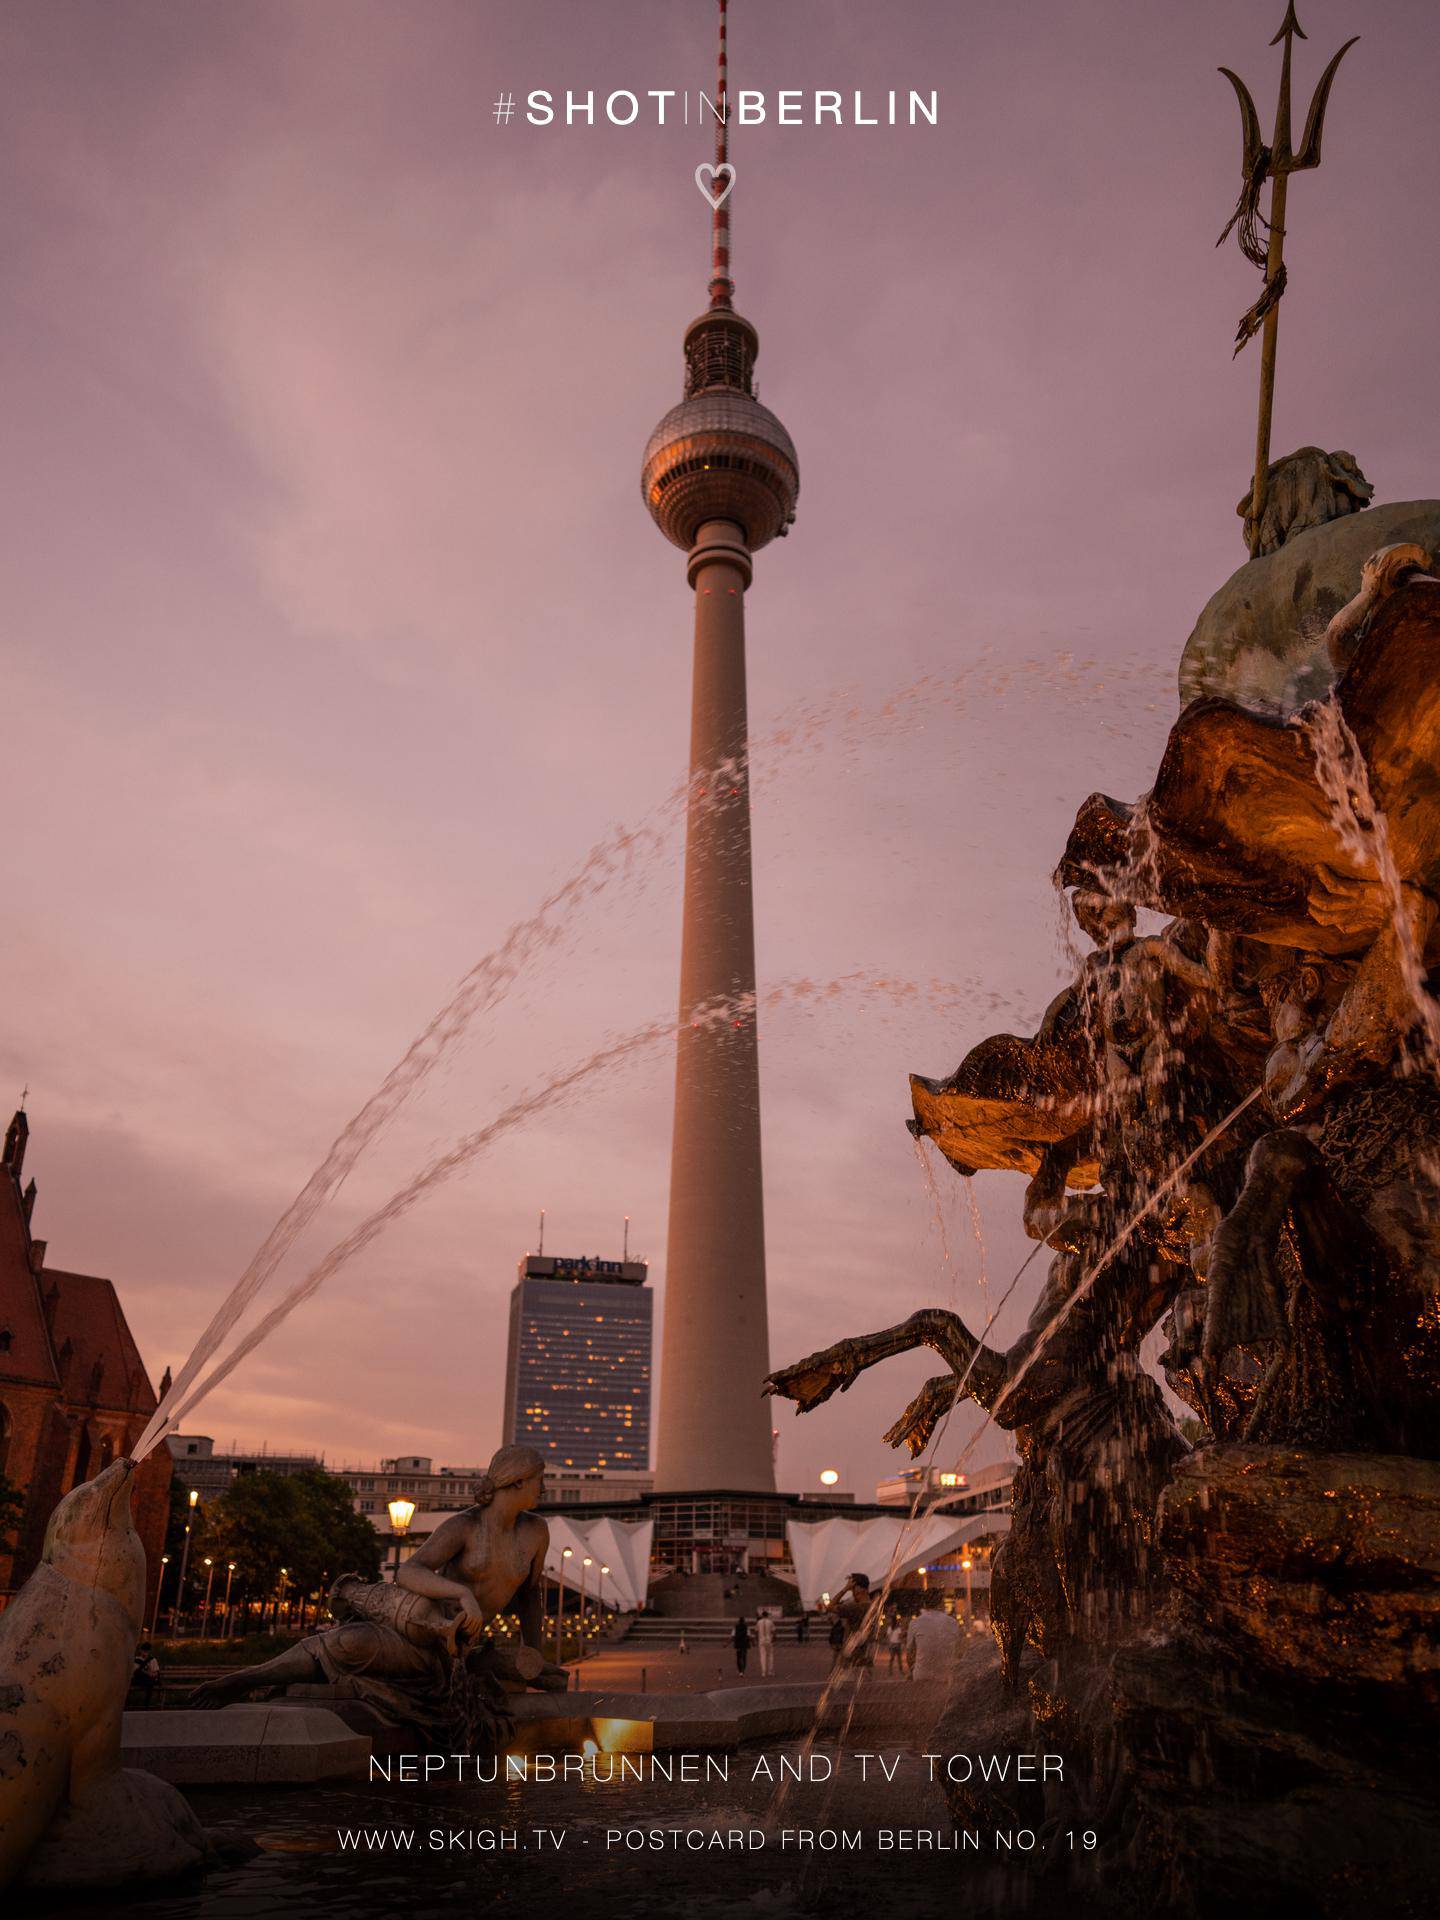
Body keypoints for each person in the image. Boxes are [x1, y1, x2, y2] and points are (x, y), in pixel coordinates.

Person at [188, 1444, 567, 1741]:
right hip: (422, 1632)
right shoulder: (464, 1526)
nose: (544, 1487)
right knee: (350, 1642)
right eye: (539, 1479)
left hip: (461, 1652)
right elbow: (409, 1571)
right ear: (516, 1482)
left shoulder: (536, 1532)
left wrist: (534, 1658)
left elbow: (530, 1597)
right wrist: (461, 1594)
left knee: (354, 1646)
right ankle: (244, 1680)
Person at [906, 1593, 963, 1685]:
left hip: (921, 1676)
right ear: (941, 1603)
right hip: (946, 1677)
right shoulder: (953, 1622)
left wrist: (912, 1669)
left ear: (924, 1604)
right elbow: (960, 1651)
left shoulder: (915, 1623)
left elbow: (909, 1654)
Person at [133, 1641, 161, 1708]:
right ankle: (145, 1705)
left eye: (146, 1651)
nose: (145, 1653)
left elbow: (156, 1672)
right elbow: (135, 1672)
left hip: (149, 1679)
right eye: (144, 1651)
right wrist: (147, 1673)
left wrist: (151, 1674)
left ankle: (146, 1704)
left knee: (150, 1683)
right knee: (146, 1679)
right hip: (139, 1680)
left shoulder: (152, 1660)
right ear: (141, 1651)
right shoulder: (136, 1660)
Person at [756, 1610, 776, 1678]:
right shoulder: (770, 1621)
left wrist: (757, 1639)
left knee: (762, 1656)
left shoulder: (759, 1622)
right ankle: (770, 1671)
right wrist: (774, 1639)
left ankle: (763, 1672)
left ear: (762, 1615)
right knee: (770, 1655)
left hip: (761, 1640)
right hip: (768, 1639)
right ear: (767, 1615)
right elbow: (774, 1631)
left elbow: (756, 1631)